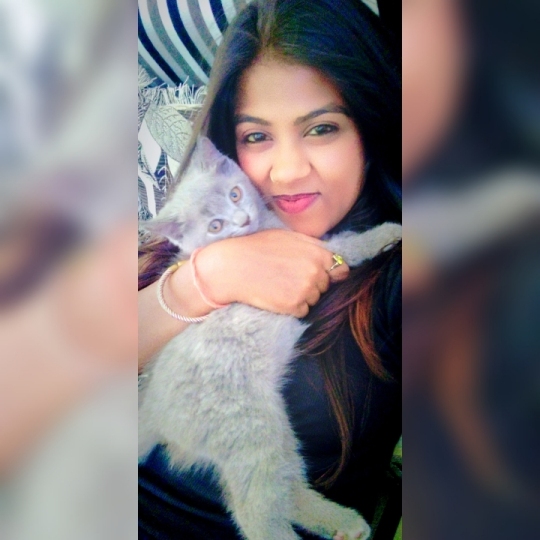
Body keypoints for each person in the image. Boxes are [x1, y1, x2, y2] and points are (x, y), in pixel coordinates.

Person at [138, 1, 401, 538]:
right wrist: (206, 279)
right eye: (256, 136)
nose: (286, 172)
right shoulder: (201, 223)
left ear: (370, 127)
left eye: (322, 128)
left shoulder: (398, 270)